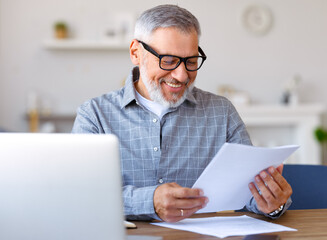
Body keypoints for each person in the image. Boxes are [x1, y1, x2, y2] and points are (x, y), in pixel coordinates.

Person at [72, 4, 292, 223]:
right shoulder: (94, 115)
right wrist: (150, 201)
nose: (181, 75)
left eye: (191, 61)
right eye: (168, 61)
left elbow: (247, 193)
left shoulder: (221, 112)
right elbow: (80, 195)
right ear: (135, 53)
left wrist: (272, 201)